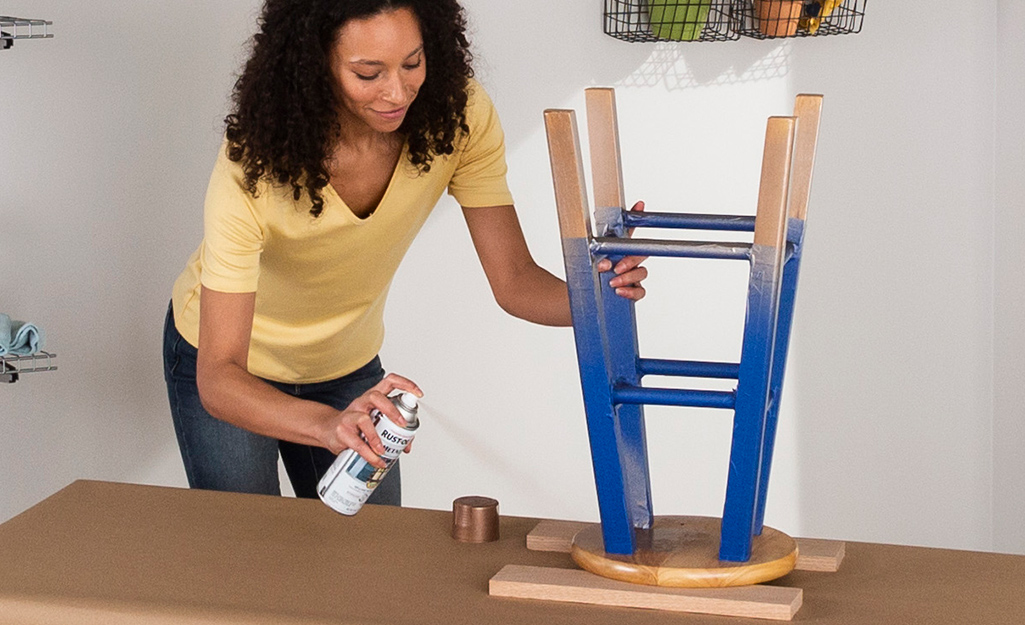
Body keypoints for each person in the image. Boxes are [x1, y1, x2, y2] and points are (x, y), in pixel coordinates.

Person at [162, 0, 648, 505]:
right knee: (246, 554)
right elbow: (218, 379)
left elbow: (515, 280)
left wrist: (597, 297)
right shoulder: (255, 164)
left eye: (412, 63)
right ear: (312, 65)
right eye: (368, 73)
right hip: (231, 365)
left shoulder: (457, 118)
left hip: (345, 365)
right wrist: (330, 426)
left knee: (372, 556)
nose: (397, 92)